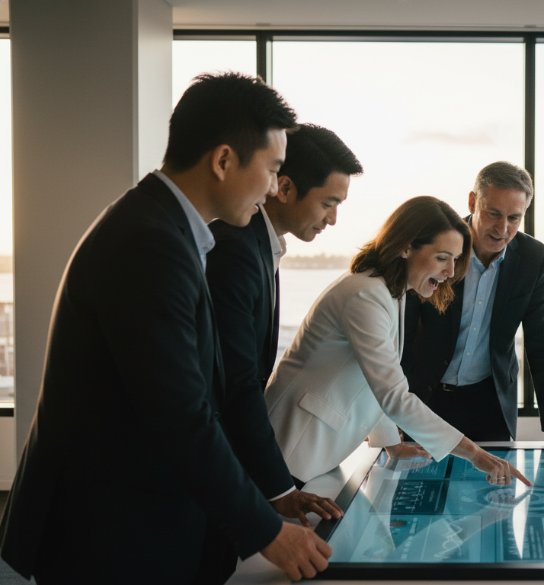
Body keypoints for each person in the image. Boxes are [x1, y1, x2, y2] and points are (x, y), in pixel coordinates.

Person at [0, 73, 332, 584]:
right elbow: (182, 414)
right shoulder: (149, 243)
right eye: (272, 169)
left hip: (129, 517)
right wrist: (269, 530)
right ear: (223, 161)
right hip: (109, 531)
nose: (272, 187)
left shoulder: (163, 228)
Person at [264, 196, 530, 487]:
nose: (451, 272)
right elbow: (394, 395)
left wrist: (390, 442)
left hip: (313, 454)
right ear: (406, 246)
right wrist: (477, 454)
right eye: (442, 257)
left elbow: (376, 381)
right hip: (287, 451)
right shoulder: (365, 294)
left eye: (455, 260)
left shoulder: (391, 292)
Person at [200, 123, 363, 583]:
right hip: (196, 475)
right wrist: (276, 492)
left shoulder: (259, 246)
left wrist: (282, 492)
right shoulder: (234, 248)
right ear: (286, 188)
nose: (332, 219)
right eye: (329, 203)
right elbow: (237, 385)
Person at [402, 162, 544, 445]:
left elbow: (542, 341)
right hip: (424, 398)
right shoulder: (437, 244)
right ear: (473, 201)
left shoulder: (533, 258)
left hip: (489, 404)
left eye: (514, 218)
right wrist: (390, 411)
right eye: (493, 213)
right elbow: (402, 334)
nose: (502, 228)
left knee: (495, 487)